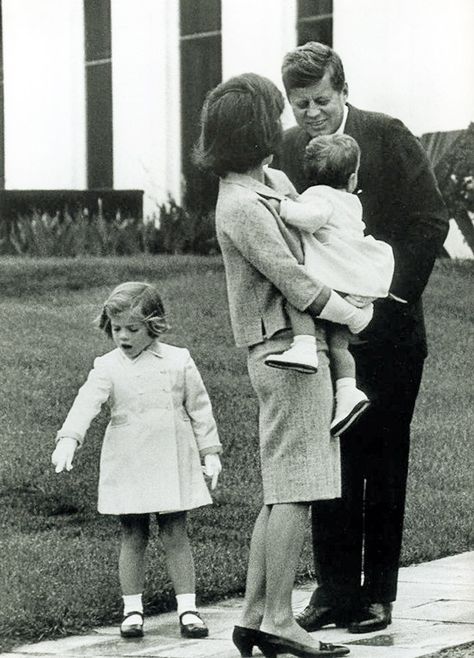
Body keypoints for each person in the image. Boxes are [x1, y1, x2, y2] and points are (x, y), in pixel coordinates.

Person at [277, 41, 449, 633]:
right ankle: (332, 592)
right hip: (327, 333)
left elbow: (432, 222)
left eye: (321, 100)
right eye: (300, 104)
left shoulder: (388, 135)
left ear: (343, 90)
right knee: (332, 463)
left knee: (383, 461)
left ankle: (378, 595)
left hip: (393, 331)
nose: (312, 113)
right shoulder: (290, 149)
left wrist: (392, 298)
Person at [195, 72, 358, 658]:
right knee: (298, 486)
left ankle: (254, 616)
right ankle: (281, 621)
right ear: (256, 130)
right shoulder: (240, 203)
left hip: (297, 347)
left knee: (281, 489)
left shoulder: (272, 183)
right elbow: (293, 278)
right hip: (284, 350)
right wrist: (354, 314)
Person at [51, 281, 222, 640]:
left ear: (154, 326)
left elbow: (200, 409)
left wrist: (210, 453)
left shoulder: (178, 360)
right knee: (133, 532)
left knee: (175, 530)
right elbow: (86, 403)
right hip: (128, 458)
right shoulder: (107, 366)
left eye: (133, 329)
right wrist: (69, 438)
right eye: (116, 329)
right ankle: (132, 609)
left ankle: (188, 608)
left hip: (172, 455)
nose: (123, 337)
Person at [265, 133, 394, 436]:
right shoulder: (351, 201)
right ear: (351, 179)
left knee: (297, 295)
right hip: (358, 287)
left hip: (337, 282)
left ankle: (304, 346)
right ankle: (348, 393)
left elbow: (310, 218)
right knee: (339, 341)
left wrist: (279, 207)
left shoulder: (319, 196)